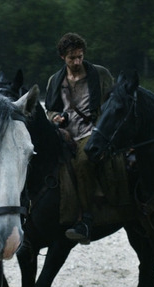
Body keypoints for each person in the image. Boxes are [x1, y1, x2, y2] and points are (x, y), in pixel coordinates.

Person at [44, 32, 114, 244]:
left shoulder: (99, 74)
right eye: (71, 58)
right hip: (64, 133)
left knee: (83, 162)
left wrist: (103, 128)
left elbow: (113, 104)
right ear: (62, 58)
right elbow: (49, 109)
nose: (76, 61)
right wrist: (55, 117)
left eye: (79, 57)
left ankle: (86, 217)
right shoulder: (55, 80)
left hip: (92, 132)